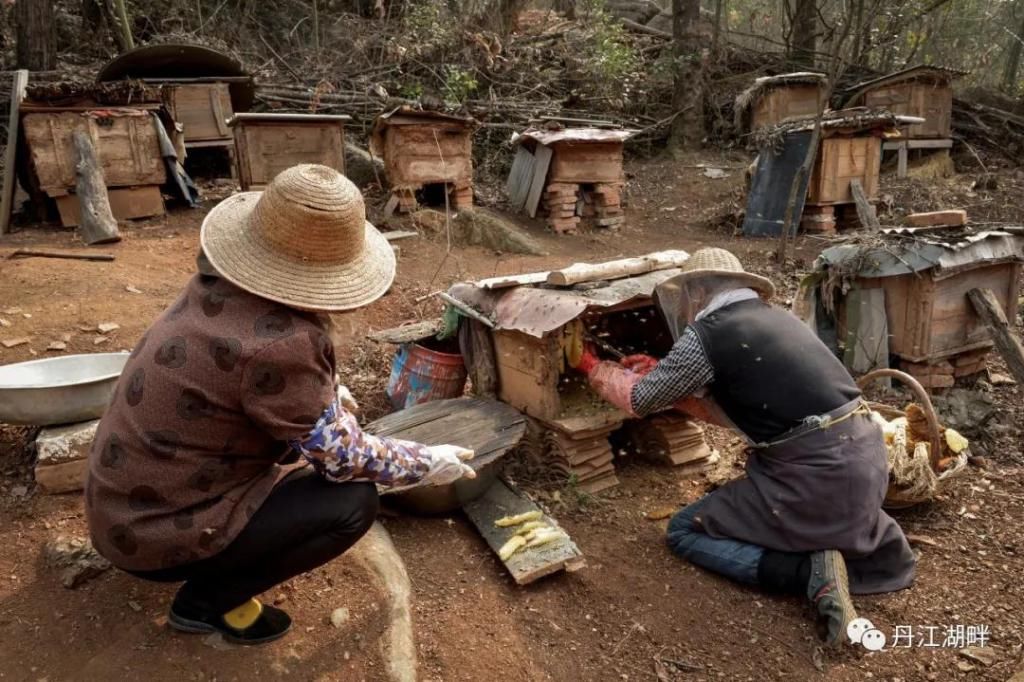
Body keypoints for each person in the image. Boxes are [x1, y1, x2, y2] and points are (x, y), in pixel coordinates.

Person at [85, 165, 476, 646]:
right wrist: (426, 462)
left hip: (120, 512)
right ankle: (205, 602)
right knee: (353, 502)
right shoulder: (284, 344)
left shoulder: (215, 287)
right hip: (157, 534)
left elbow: (252, 386)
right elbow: (343, 460)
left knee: (306, 457)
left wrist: (330, 395)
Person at [575, 248, 915, 647]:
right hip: (862, 459)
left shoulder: (709, 332)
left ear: (697, 290)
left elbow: (640, 401)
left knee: (683, 531)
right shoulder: (776, 320)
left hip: (817, 476)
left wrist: (592, 368)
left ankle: (808, 572)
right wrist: (664, 377)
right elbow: (741, 411)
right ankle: (818, 540)